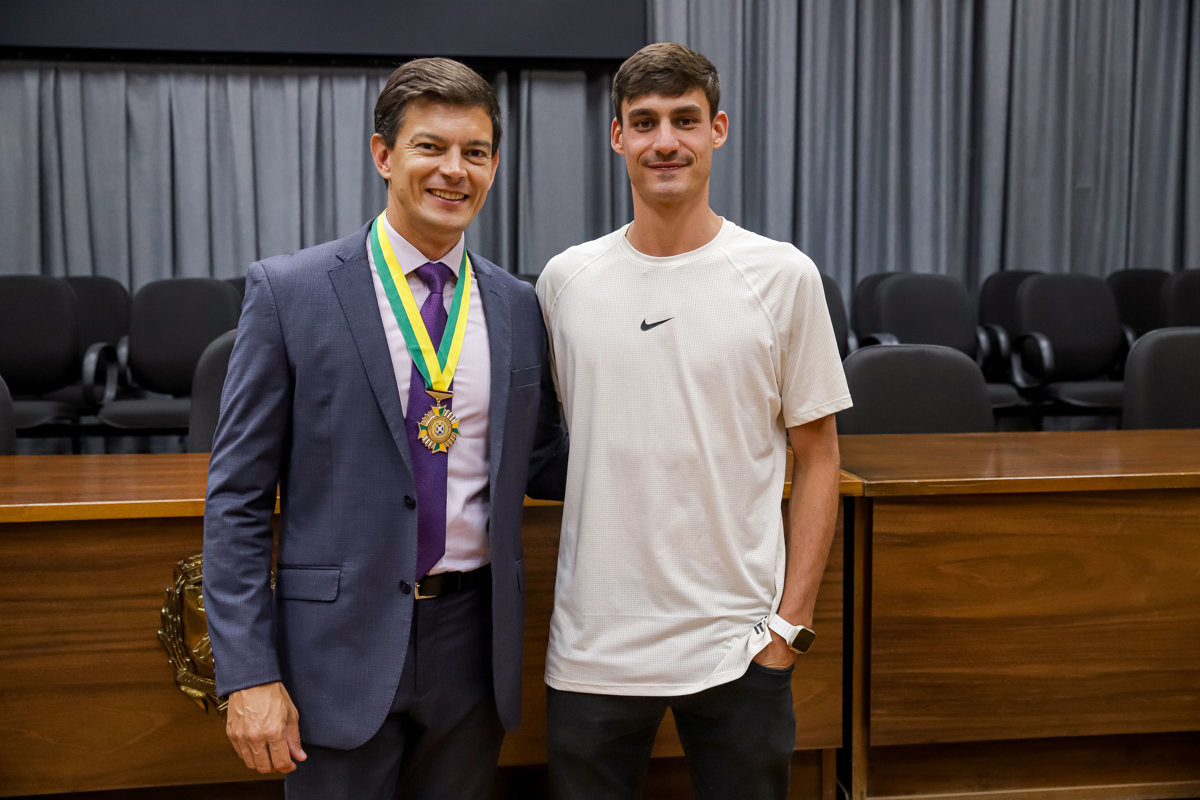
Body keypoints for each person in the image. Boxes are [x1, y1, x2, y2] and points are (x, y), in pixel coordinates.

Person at [203, 57, 566, 800]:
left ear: (495, 163)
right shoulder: (291, 292)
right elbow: (237, 500)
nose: (453, 171)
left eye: (475, 152)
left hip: (475, 647)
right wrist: (249, 673)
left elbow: (542, 461)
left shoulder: (517, 304)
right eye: (430, 146)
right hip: (333, 654)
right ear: (383, 155)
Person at [535, 42, 852, 800]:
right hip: (593, 647)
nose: (665, 141)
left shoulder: (783, 275)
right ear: (617, 138)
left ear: (719, 129)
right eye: (644, 122)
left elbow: (819, 459)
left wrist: (789, 630)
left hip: (738, 646)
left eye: (685, 119)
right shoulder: (564, 282)